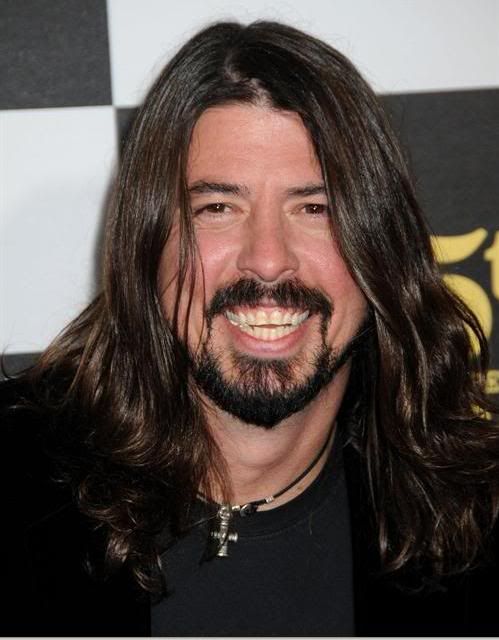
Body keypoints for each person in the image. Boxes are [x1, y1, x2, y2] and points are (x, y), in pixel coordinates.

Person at [1, 20, 499, 637]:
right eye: (218, 208)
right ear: (146, 245)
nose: (267, 259)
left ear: (382, 247)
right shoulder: (16, 483)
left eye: (315, 209)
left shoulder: (474, 521)